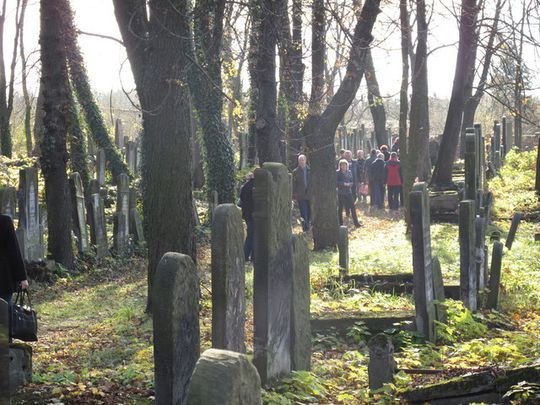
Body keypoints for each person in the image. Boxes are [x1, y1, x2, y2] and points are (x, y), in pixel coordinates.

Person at [0, 214, 29, 304]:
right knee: (4, 310)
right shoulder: (5, 221)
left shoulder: (4, 221)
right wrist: (22, 278)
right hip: (3, 279)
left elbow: (13, 251)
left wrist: (22, 277)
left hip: (3, 278)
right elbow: (14, 251)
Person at [336, 159, 361, 227]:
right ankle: (340, 224)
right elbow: (336, 182)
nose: (343, 166)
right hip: (341, 193)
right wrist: (343, 184)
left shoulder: (349, 172)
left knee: (352, 207)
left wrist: (350, 184)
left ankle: (356, 223)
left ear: (347, 166)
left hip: (348, 192)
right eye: (342, 165)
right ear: (340, 166)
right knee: (340, 208)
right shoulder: (337, 172)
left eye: (345, 165)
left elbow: (351, 181)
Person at [292, 154, 311, 232]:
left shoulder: (310, 170)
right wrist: (294, 195)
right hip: (301, 195)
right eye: (300, 160)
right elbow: (293, 184)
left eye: (303, 160)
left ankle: (308, 225)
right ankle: (305, 228)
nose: (301, 162)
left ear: (305, 161)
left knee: (309, 212)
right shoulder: (295, 172)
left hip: (310, 195)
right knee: (303, 212)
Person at [239, 173, 255, 262]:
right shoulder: (256, 186)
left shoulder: (245, 186)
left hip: (247, 214)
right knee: (252, 235)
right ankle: (246, 255)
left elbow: (241, 198)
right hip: (253, 214)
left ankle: (250, 255)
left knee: (251, 234)